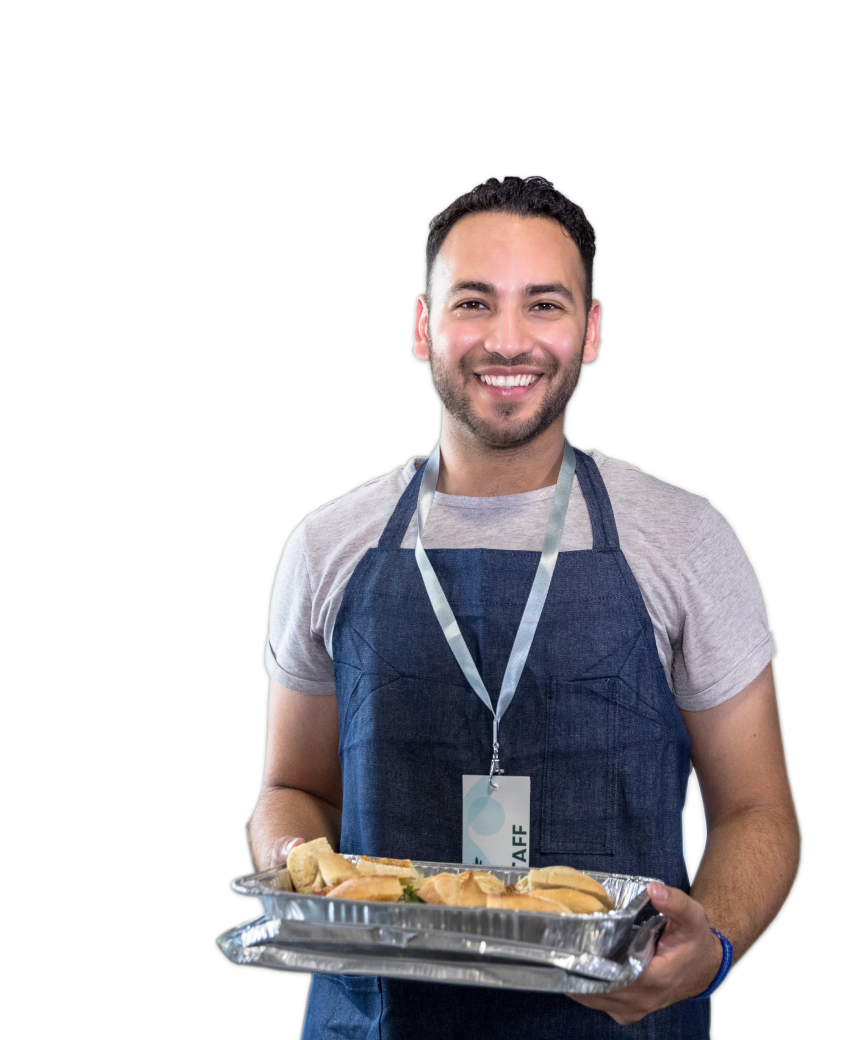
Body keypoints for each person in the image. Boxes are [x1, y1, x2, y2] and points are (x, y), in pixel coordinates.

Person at [246, 174, 802, 1039]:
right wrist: (295, 865)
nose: (508, 340)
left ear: (591, 332)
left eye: (544, 304)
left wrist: (713, 948)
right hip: (373, 1026)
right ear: (424, 326)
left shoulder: (688, 536)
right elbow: (291, 787)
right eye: (474, 302)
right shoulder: (328, 546)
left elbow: (756, 810)